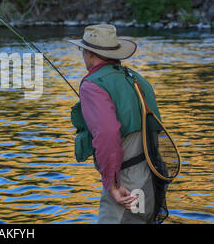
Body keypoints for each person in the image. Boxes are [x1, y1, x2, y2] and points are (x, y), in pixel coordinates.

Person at [68, 24, 162, 224]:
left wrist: (112, 185)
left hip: (127, 186)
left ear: (90, 54)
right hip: (153, 179)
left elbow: (108, 135)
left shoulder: (93, 85)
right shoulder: (137, 79)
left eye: (82, 51)